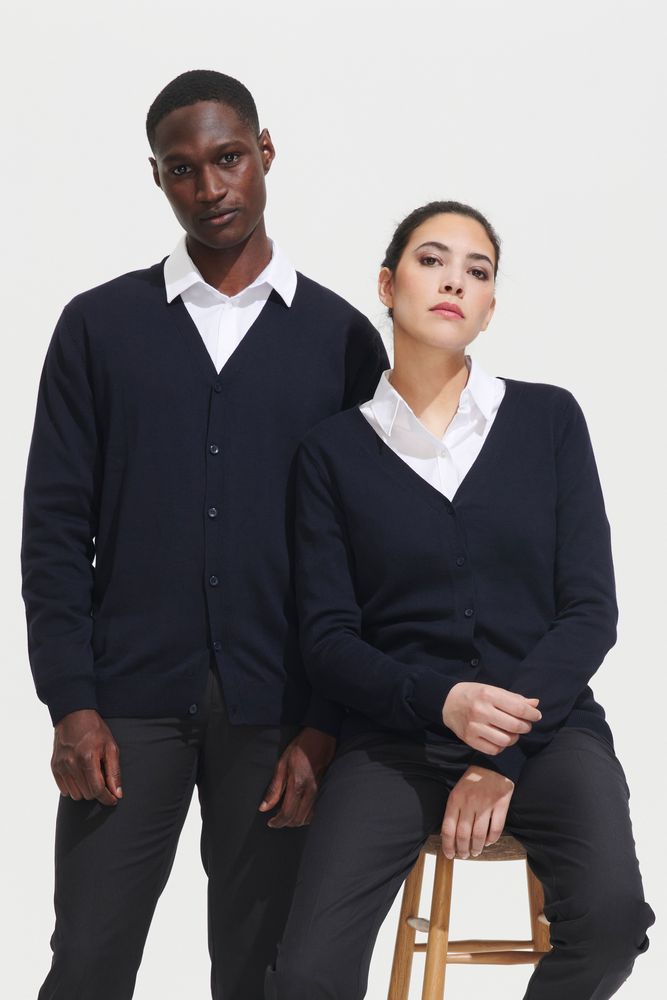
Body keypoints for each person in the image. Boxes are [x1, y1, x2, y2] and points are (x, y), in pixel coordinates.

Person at [21, 69, 387, 1000]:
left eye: (228, 158)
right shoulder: (99, 328)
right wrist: (72, 703)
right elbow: (54, 528)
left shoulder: (343, 341)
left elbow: (367, 554)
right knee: (88, 964)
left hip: (282, 710)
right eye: (181, 169)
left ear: (265, 153)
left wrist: (325, 726)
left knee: (261, 972)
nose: (211, 186)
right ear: (156, 177)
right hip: (126, 706)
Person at [266, 201, 654, 999]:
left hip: (545, 734)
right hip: (394, 742)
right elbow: (328, 639)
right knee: (305, 974)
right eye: (431, 260)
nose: (453, 282)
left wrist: (496, 757)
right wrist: (441, 702)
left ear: (488, 307)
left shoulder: (548, 420)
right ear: (386, 284)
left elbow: (589, 610)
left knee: (612, 922)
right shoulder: (331, 453)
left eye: (476, 272)